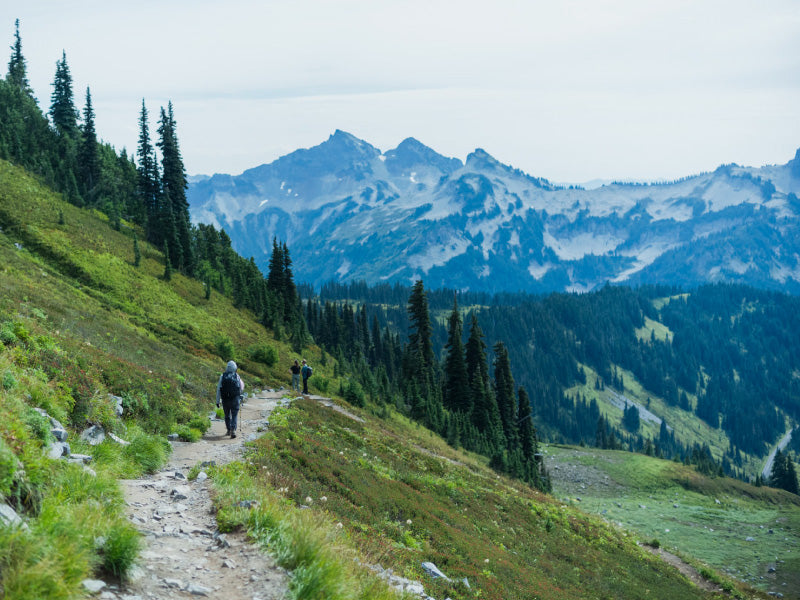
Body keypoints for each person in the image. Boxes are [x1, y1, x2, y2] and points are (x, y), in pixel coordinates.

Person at [216, 360, 244, 439]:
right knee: (234, 414)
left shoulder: (223, 376)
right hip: (235, 398)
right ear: (235, 367)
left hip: (225, 399)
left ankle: (228, 430)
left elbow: (218, 389)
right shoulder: (236, 376)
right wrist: (239, 395)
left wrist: (217, 401)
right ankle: (233, 429)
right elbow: (241, 387)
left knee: (227, 415)